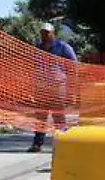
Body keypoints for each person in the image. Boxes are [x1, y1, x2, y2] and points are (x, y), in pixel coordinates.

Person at [30, 22, 78, 152]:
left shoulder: (63, 47)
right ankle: (37, 144)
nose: (44, 35)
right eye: (42, 33)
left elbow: (73, 67)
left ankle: (63, 144)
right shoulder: (38, 48)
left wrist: (71, 90)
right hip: (41, 88)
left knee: (58, 117)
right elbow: (33, 67)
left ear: (53, 33)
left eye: (47, 32)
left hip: (58, 88)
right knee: (40, 118)